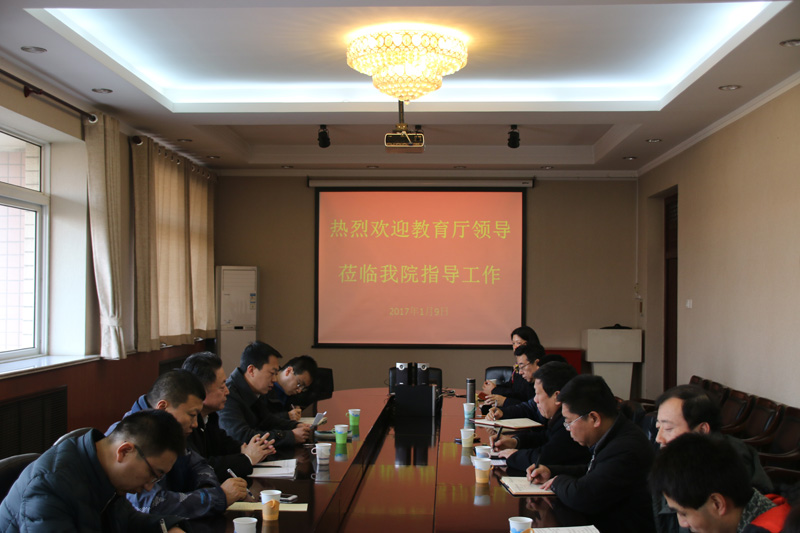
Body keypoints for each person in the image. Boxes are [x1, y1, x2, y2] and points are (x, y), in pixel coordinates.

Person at [0, 410, 188, 532]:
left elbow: (126, 520)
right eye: (153, 474)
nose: (149, 487)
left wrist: (168, 527)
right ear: (124, 451)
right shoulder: (50, 487)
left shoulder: (101, 464)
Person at [107, 369, 248, 519]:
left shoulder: (168, 428)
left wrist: (208, 491)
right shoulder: (131, 436)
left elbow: (199, 465)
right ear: (163, 407)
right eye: (192, 415)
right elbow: (152, 504)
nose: (195, 424)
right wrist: (215, 498)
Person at [528, 374, 657, 533]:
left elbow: (583, 496)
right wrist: (552, 471)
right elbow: (594, 471)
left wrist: (558, 482)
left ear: (594, 418)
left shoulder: (626, 447)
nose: (567, 428)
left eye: (569, 422)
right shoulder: (615, 433)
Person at [653, 384, 773, 533]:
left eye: (668, 429)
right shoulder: (678, 463)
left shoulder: (721, 465)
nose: (658, 438)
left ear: (702, 430)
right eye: (658, 427)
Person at [649, 433, 790, 533]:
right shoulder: (764, 507)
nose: (683, 524)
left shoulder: (773, 528)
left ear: (717, 503)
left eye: (683, 513)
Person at [182, 351, 276, 480]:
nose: (227, 391)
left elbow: (224, 444)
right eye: (222, 387)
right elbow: (201, 467)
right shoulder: (185, 424)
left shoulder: (210, 416)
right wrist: (247, 458)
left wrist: (247, 448)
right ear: (200, 390)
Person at [493, 361, 591, 473]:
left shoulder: (571, 422)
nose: (535, 400)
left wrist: (515, 456)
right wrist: (515, 442)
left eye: (538, 393)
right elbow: (545, 437)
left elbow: (545, 458)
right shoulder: (559, 418)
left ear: (557, 396)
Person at [219, 341, 311, 447]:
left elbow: (268, 421)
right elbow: (241, 436)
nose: (275, 379)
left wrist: (296, 426)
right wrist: (291, 436)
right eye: (272, 373)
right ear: (251, 370)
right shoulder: (228, 395)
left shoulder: (255, 390)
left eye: (276, 374)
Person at [486, 352, 566, 423]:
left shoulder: (565, 418)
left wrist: (505, 401)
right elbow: (528, 407)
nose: (520, 372)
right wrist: (503, 412)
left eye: (522, 366)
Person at [481, 326, 540, 409]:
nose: (515, 347)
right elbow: (513, 387)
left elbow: (523, 397)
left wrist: (496, 391)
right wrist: (494, 387)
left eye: (518, 343)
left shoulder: (533, 369)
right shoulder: (519, 365)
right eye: (513, 343)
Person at [267, 355, 319, 421]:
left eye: (303, 388)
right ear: (288, 371)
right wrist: (286, 416)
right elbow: (260, 420)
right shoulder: (265, 387)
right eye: (299, 384)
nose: (299, 391)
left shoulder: (292, 395)